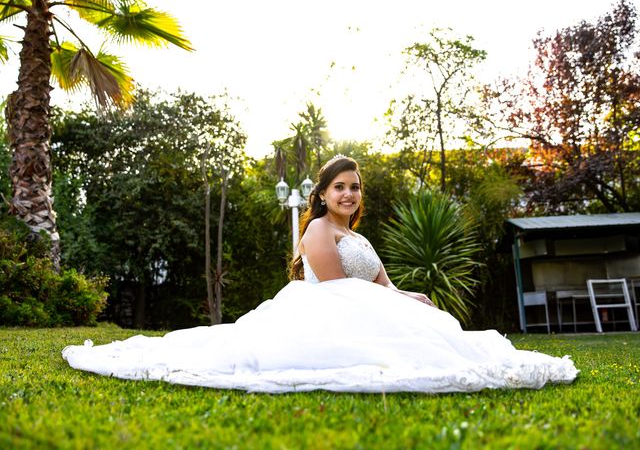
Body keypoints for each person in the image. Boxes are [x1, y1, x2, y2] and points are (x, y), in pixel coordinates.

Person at [63, 155, 578, 393]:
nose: (349, 195)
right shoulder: (317, 233)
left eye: (355, 187)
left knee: (430, 318)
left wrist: (410, 296)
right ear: (322, 194)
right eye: (339, 188)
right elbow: (340, 293)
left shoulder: (361, 238)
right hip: (327, 317)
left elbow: (383, 288)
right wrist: (392, 303)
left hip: (363, 309)